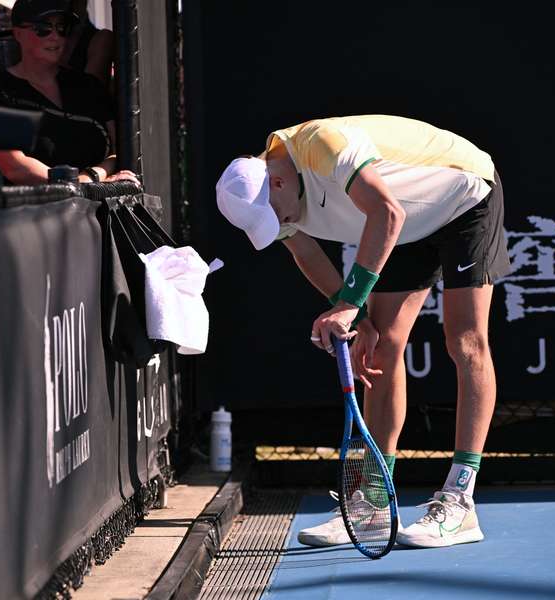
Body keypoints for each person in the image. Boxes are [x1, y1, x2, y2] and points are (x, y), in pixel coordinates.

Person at [215, 115, 510, 549]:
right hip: (409, 222)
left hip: (464, 194)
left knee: (464, 339)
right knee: (382, 345)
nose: (278, 225)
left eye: (275, 216)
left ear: (277, 184)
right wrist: (358, 317)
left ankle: (460, 499)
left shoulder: (323, 144)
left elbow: (387, 211)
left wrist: (350, 303)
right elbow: (306, 251)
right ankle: (372, 502)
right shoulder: (273, 192)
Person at [0, 0, 135, 185]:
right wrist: (79, 184)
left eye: (62, 28)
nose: (55, 36)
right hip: (35, 210)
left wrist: (93, 176)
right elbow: (14, 168)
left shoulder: (88, 86)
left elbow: (120, 149)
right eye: (43, 28)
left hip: (96, 209)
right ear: (18, 32)